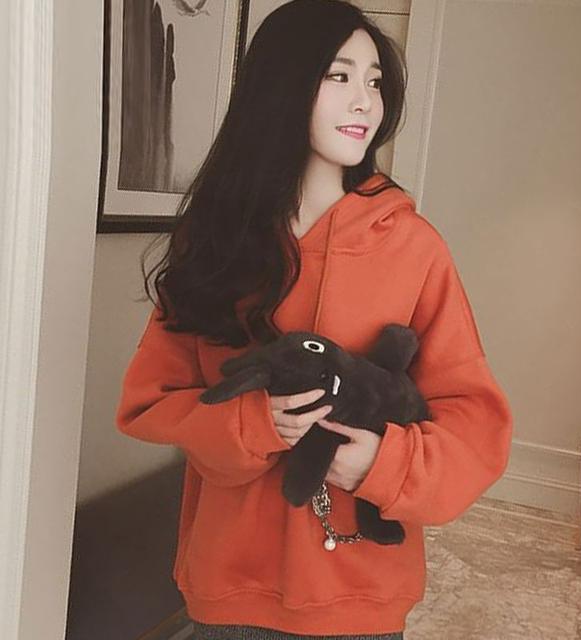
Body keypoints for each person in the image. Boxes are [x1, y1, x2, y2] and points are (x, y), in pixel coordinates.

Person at [115, 1, 513, 638]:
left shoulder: (414, 248)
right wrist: (253, 422)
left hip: (359, 596)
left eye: (374, 82)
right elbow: (151, 399)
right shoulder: (216, 242)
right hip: (229, 589)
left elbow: (475, 421)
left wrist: (382, 463)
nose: (364, 101)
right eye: (339, 76)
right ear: (283, 85)